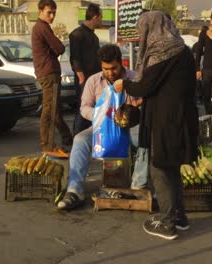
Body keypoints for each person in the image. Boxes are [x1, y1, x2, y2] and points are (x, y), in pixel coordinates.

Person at [114, 11, 198, 240]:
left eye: (143, 29)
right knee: (171, 167)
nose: (142, 34)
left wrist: (126, 85)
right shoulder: (183, 50)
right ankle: (180, 217)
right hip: (181, 116)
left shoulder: (161, 52)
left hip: (166, 119)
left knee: (158, 167)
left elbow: (144, 86)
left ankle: (168, 221)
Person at [57, 44, 148, 210]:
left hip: (130, 127)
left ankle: (137, 188)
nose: (110, 73)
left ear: (121, 63)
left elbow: (146, 102)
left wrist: (136, 104)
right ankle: (74, 190)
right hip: (102, 128)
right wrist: (101, 116)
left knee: (145, 139)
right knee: (80, 140)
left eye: (114, 68)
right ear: (101, 66)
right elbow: (84, 108)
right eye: (106, 69)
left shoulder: (134, 78)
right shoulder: (93, 81)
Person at [32, 0, 72, 152]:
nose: (52, 15)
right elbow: (60, 47)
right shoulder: (42, 27)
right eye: (49, 12)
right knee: (49, 110)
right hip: (48, 73)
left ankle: (66, 136)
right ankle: (47, 145)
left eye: (54, 12)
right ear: (40, 11)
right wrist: (55, 49)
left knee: (55, 109)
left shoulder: (42, 27)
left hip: (48, 72)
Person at [69, 4, 102, 135]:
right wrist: (82, 79)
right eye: (101, 18)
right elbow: (75, 58)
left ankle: (90, 137)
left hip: (95, 80)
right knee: (83, 110)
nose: (101, 21)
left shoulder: (94, 37)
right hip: (84, 80)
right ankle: (77, 138)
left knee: (94, 110)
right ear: (95, 17)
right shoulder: (77, 34)